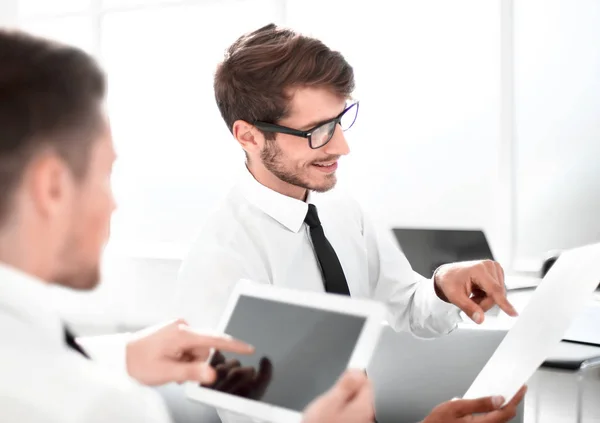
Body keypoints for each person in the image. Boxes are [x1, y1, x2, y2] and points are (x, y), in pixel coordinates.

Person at [0, 28, 379, 423]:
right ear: (52, 187)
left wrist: (120, 355)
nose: (112, 204)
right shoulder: (104, 407)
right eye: (104, 174)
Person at [173, 23, 524, 423]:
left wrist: (443, 286)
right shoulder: (221, 263)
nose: (341, 146)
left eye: (339, 120)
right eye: (316, 132)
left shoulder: (340, 209)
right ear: (249, 137)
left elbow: (408, 305)